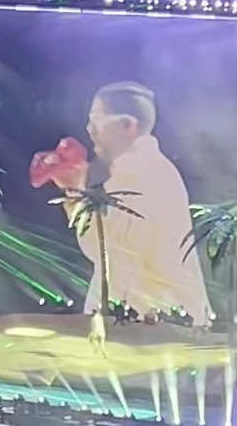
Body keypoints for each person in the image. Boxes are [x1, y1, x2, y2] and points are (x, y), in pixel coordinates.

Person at [67, 82, 211, 323]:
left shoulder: (140, 174)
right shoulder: (149, 169)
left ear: (127, 125)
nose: (89, 130)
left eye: (97, 120)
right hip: (156, 322)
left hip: (153, 326)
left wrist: (73, 188)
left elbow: (106, 249)